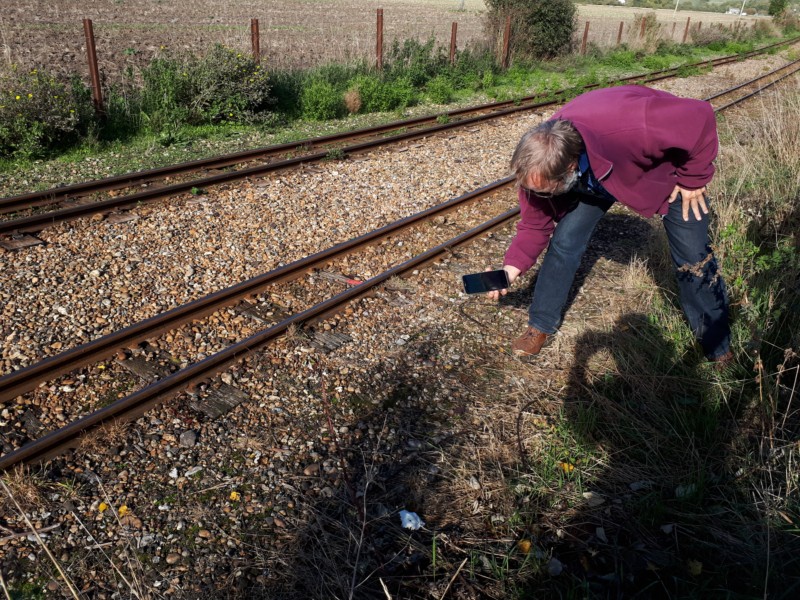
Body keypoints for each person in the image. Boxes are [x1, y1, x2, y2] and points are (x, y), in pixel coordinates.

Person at [488, 85, 731, 364]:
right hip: (597, 176)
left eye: (546, 192)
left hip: (659, 169)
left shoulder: (633, 125)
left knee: (693, 256)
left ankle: (717, 343)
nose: (537, 196)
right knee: (564, 242)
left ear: (568, 170)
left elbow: (699, 116)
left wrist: (693, 180)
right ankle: (540, 325)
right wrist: (509, 270)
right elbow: (534, 226)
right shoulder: (536, 169)